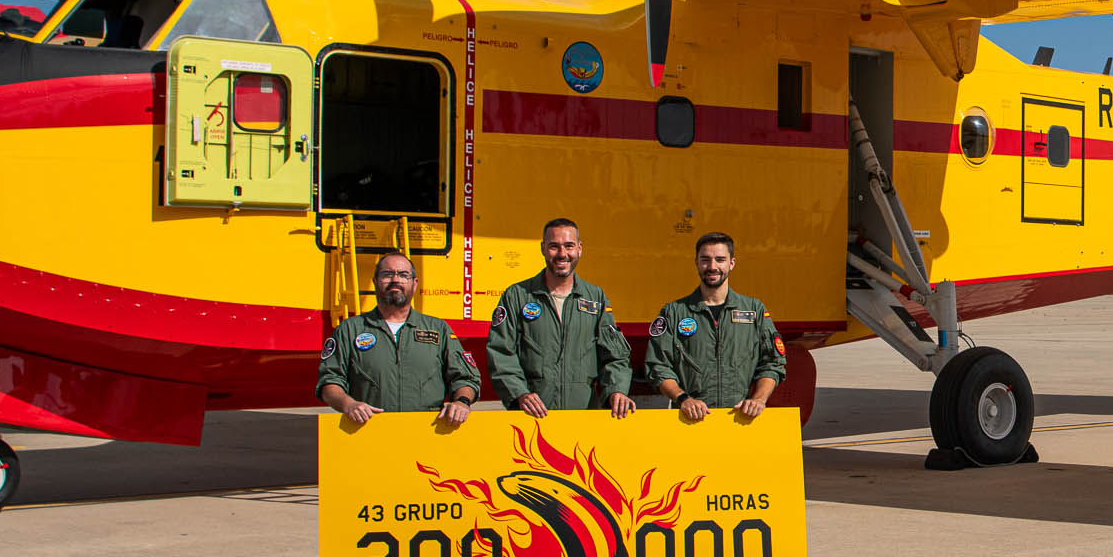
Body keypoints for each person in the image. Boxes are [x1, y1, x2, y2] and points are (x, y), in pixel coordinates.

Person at [483, 218, 634, 419]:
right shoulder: (517, 296)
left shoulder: (595, 298)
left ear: (579, 249)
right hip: (532, 418)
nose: (562, 254)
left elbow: (614, 355)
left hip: (584, 418)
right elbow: (500, 352)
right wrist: (520, 393)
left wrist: (616, 390)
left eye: (569, 246)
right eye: (554, 246)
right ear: (543, 248)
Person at [315, 251, 479, 429]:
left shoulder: (438, 329)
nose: (395, 279)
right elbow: (329, 382)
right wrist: (348, 404)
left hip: (428, 434)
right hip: (368, 433)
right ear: (375, 282)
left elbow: (465, 378)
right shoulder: (349, 330)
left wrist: (462, 402)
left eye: (403, 275)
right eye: (387, 274)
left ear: (414, 283)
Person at [643, 231, 787, 424]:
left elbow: (773, 363)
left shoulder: (754, 311)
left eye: (720, 260)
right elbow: (658, 365)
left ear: (732, 263)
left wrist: (758, 399)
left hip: (740, 420)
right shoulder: (673, 313)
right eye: (705, 260)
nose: (712, 267)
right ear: (696, 262)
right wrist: (683, 398)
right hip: (689, 422)